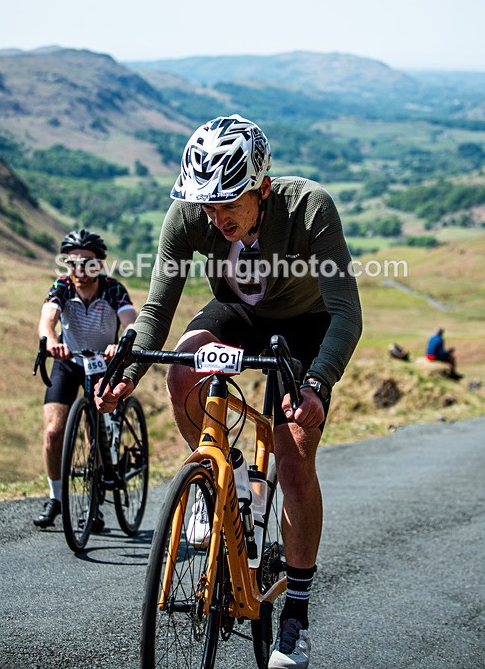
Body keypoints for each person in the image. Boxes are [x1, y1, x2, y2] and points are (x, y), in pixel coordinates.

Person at [96, 114, 363, 668]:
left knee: (293, 457)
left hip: (306, 325)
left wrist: (316, 383)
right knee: (182, 371)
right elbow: (157, 308)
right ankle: (223, 478)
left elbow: (346, 312)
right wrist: (126, 373)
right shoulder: (190, 212)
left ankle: (295, 613)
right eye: (206, 205)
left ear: (262, 188)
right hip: (239, 311)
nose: (215, 217)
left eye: (228, 204)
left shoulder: (311, 208)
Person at [33, 228, 137, 529]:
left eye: (87, 263)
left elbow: (130, 319)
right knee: (54, 432)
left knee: (96, 438)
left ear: (100, 265)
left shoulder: (113, 289)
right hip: (70, 362)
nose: (79, 269)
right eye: (72, 262)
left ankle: (95, 503)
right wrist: (51, 339)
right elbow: (47, 318)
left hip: (103, 365)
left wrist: (123, 341)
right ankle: (55, 498)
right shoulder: (62, 287)